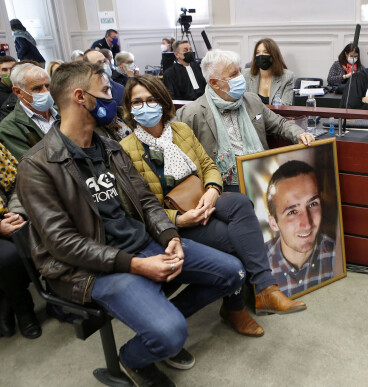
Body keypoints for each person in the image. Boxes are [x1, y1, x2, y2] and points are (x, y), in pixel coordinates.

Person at [17, 61, 246, 386]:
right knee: (172, 334)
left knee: (232, 272)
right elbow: (62, 244)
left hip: (141, 244)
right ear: (81, 97)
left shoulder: (108, 147)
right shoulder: (37, 165)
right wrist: (137, 265)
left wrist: (170, 236)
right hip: (91, 269)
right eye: (107, 92)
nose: (116, 99)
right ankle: (132, 358)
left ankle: (160, 331)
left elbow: (146, 201)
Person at [120, 75, 307, 335]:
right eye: (137, 102)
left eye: (151, 99)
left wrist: (212, 189)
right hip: (172, 222)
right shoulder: (124, 150)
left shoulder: (181, 131)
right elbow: (137, 209)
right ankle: (236, 308)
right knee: (235, 242)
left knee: (241, 202)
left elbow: (208, 165)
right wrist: (178, 220)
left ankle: (265, 289)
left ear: (163, 101)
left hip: (201, 198)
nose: (145, 106)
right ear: (129, 108)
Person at [176, 49, 314, 192]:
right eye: (233, 74)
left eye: (240, 71)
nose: (241, 77)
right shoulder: (192, 113)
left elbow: (280, 124)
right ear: (215, 83)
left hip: (260, 174)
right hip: (223, 186)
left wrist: (299, 133)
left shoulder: (252, 100)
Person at [265, 160, 336, 297]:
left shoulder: (336, 254)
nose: (307, 224)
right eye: (292, 212)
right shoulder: (261, 267)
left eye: (313, 204)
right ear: (273, 223)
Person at [0, 142, 42, 339]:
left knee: (41, 233)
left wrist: (16, 212)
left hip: (7, 215)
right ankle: (22, 308)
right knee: (9, 258)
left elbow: (15, 183)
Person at [0, 63, 58, 160]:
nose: (45, 92)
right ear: (18, 92)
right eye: (37, 88)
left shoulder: (62, 112)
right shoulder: (9, 128)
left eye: (47, 86)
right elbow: (33, 166)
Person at [242, 38, 294, 106]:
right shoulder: (246, 75)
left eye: (265, 52)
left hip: (276, 115)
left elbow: (286, 105)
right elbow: (242, 103)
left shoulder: (287, 76)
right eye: (257, 53)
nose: (261, 55)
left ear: (274, 55)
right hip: (252, 116)